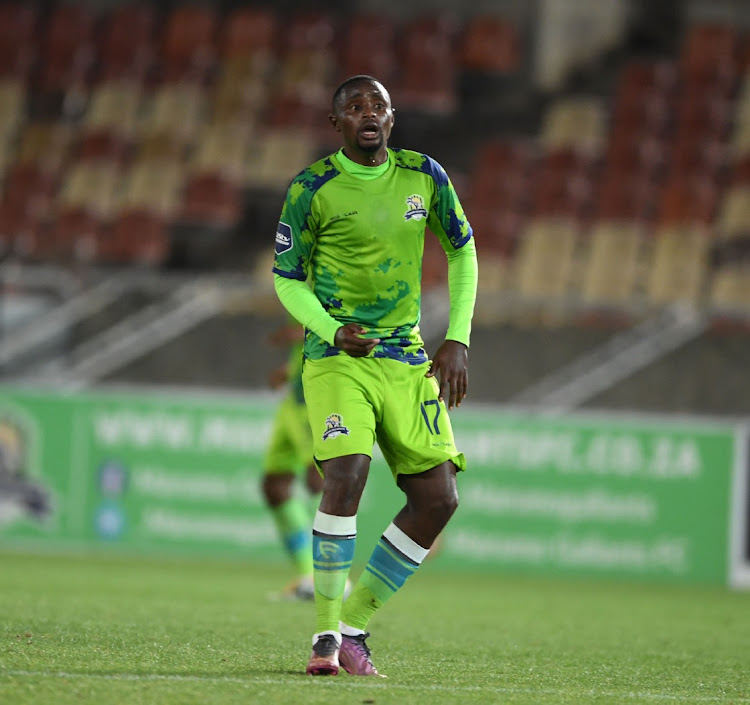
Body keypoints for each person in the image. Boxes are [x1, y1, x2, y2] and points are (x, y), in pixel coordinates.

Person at [272, 75, 478, 677]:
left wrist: (458, 337)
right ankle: (324, 638)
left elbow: (463, 250)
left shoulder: (425, 176)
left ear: (392, 118)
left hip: (406, 359)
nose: (369, 113)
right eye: (355, 107)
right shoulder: (313, 188)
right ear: (336, 123)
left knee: (438, 498)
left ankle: (354, 625)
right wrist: (330, 328)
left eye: (379, 106)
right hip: (339, 358)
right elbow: (287, 276)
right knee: (348, 472)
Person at [261, 318, 322, 601]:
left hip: (313, 402)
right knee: (274, 486)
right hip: (292, 402)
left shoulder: (329, 279)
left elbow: (342, 324)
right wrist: (290, 371)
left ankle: (330, 577)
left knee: (318, 480)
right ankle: (306, 575)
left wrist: (300, 332)